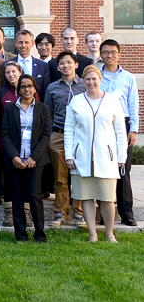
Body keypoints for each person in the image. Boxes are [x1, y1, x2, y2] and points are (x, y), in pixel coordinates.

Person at [64, 65, 127, 243]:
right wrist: (70, 154)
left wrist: (120, 157)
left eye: (94, 79)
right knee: (86, 196)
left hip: (106, 158)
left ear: (100, 80)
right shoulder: (76, 101)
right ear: (83, 81)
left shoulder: (112, 101)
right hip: (81, 158)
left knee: (107, 198)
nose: (91, 82)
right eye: (87, 79)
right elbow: (69, 130)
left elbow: (120, 131)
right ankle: (93, 234)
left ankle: (109, 233)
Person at [1, 74, 52, 243]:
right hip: (15, 160)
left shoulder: (43, 109)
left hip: (35, 161)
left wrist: (33, 157)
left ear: (35, 89)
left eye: (30, 86)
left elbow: (46, 135)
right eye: (23, 86)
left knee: (34, 195)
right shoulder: (10, 109)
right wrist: (14, 156)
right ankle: (20, 235)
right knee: (17, 197)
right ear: (19, 90)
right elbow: (5, 135)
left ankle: (40, 234)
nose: (27, 89)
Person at [99, 39, 139, 226]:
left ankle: (127, 212)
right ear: (100, 55)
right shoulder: (95, 75)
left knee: (123, 169)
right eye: (106, 52)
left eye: (113, 52)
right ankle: (104, 212)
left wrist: (133, 129)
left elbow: (134, 105)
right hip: (101, 125)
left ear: (119, 54)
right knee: (102, 168)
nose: (109, 56)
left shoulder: (128, 77)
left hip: (122, 125)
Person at [45, 51, 86, 227]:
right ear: (58, 66)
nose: (66, 66)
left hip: (81, 137)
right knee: (60, 177)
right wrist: (52, 134)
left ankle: (79, 213)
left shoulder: (85, 86)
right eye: (62, 63)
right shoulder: (52, 87)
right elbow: (48, 113)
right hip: (58, 135)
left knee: (79, 175)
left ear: (76, 65)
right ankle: (60, 212)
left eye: (69, 62)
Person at [0, 62, 24, 226]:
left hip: (27, 144)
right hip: (7, 144)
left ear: (20, 72)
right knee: (9, 180)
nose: (11, 75)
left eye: (14, 71)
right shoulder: (2, 93)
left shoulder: (30, 89)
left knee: (26, 180)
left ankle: (24, 213)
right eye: (7, 72)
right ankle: (9, 213)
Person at [6, 30, 50, 101]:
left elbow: (45, 91)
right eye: (20, 42)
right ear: (16, 43)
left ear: (32, 44)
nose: (23, 45)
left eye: (26, 42)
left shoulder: (43, 66)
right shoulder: (7, 65)